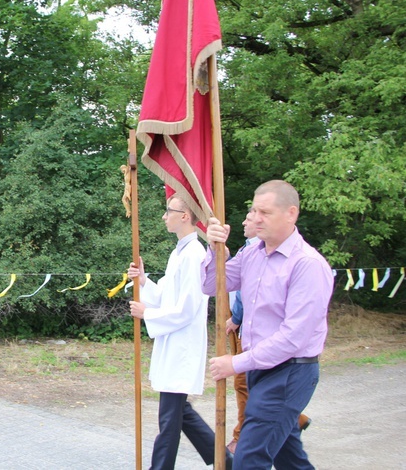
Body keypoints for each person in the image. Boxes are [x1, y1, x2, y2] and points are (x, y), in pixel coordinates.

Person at [202, 180, 333, 469]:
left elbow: (293, 338)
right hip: (260, 371)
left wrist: (235, 363)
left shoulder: (307, 265)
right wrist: (216, 250)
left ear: (291, 214)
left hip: (290, 372)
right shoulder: (252, 253)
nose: (256, 218)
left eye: (265, 212)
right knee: (290, 459)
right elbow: (213, 284)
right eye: (254, 210)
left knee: (249, 458)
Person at [127, 194, 233, 470]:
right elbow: (166, 296)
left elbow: (187, 308)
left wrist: (147, 314)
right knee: (180, 413)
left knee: (169, 418)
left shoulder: (195, 254)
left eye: (169, 211)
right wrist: (144, 280)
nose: (165, 216)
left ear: (185, 216)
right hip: (172, 341)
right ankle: (228, 462)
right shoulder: (179, 253)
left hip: (183, 343)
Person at [224, 210, 311, 454]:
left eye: (250, 218)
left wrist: (236, 318)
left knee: (244, 385)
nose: (245, 222)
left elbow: (245, 293)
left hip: (258, 337)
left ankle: (242, 436)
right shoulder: (248, 249)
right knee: (288, 453)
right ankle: (294, 421)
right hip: (253, 333)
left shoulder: (259, 250)